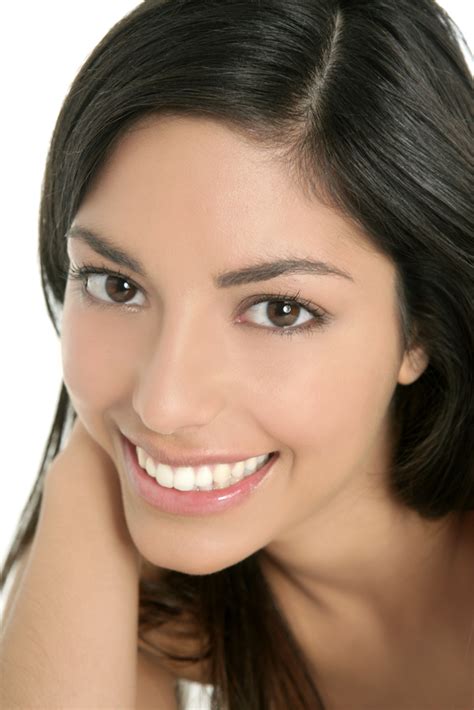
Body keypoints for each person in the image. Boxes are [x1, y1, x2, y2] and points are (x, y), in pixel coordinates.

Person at [1, 0, 472, 708]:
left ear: (421, 328)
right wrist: (80, 489)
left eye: (280, 310)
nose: (165, 402)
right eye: (116, 284)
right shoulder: (143, 605)